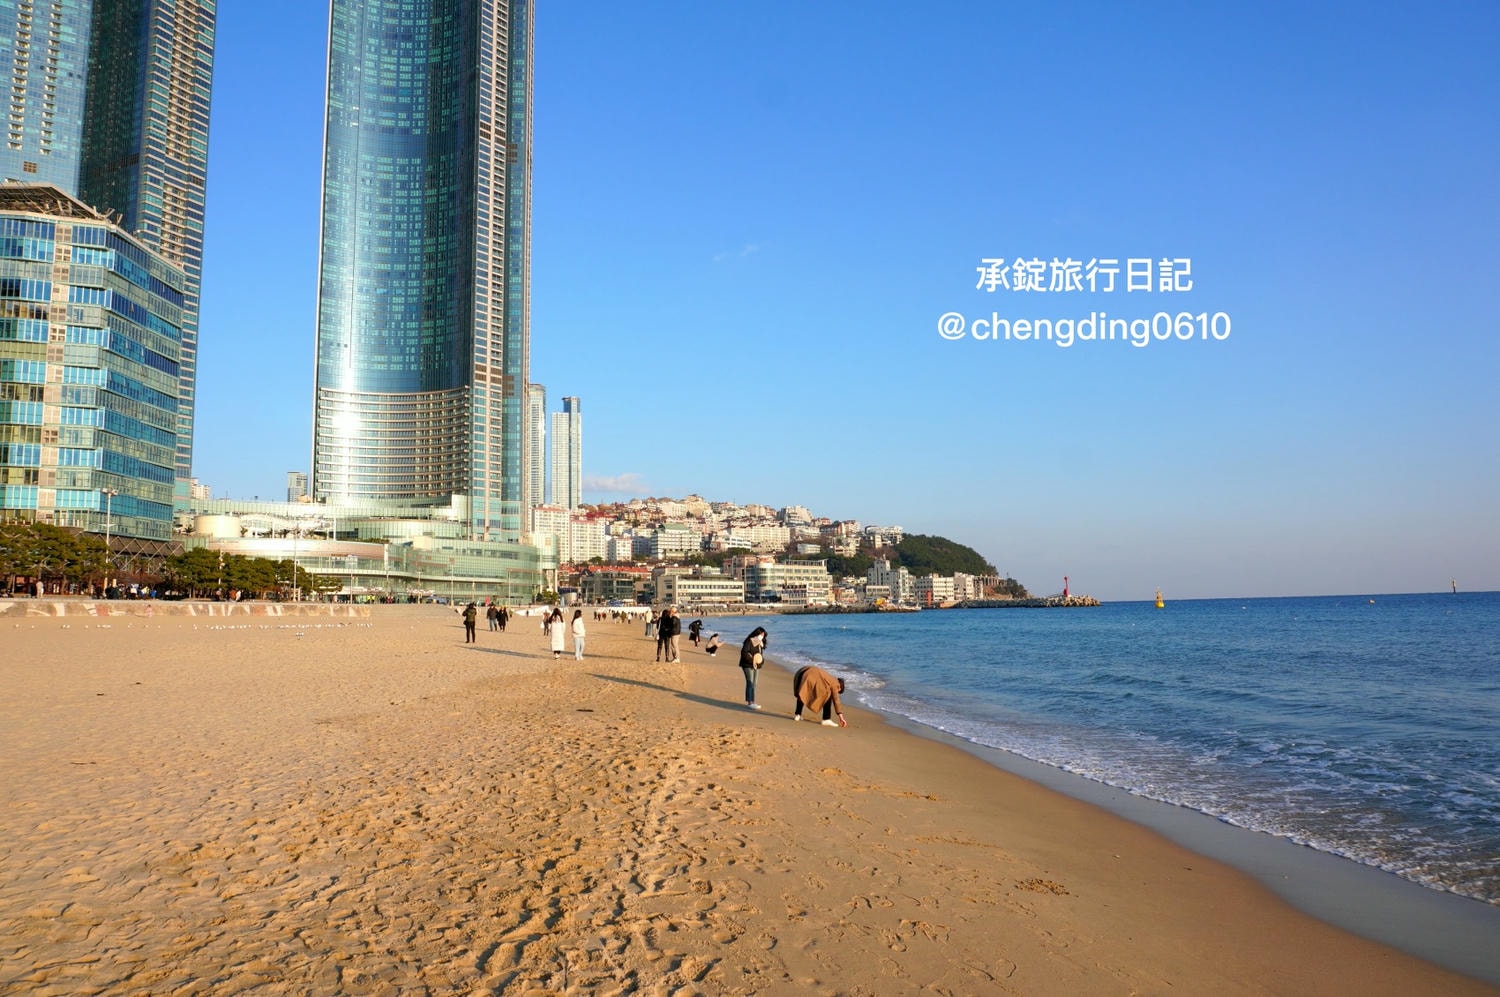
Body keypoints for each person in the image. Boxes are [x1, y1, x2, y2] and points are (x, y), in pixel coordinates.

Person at [739, 626, 768, 710]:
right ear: (757, 633)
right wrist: (753, 660)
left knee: (754, 684)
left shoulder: (760, 643)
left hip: (756, 666)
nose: (762, 636)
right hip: (747, 665)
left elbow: (760, 655)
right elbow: (744, 652)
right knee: (750, 683)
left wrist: (761, 662)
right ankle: (750, 702)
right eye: (761, 634)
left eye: (763, 635)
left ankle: (753, 701)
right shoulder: (749, 641)